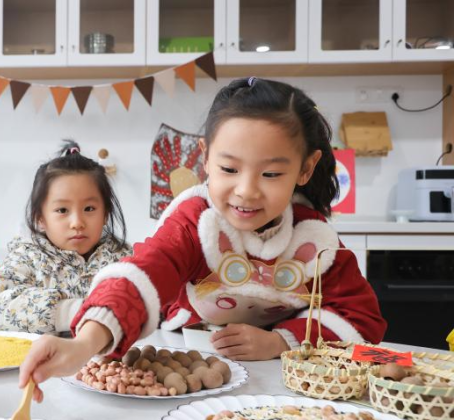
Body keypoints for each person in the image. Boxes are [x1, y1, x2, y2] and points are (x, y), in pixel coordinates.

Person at [20, 77, 386, 399]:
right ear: (206, 159)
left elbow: (360, 316)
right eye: (229, 169)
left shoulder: (312, 239)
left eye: (271, 174)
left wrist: (279, 342)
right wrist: (85, 345)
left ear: (305, 169)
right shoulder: (196, 222)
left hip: (285, 379)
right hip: (196, 368)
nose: (246, 191)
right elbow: (143, 273)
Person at [0, 141, 130, 334]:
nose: (77, 222)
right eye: (62, 210)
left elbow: (149, 303)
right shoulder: (27, 257)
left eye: (89, 209)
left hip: (106, 361)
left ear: (105, 214)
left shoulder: (122, 258)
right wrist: (68, 312)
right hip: (38, 362)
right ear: (40, 218)